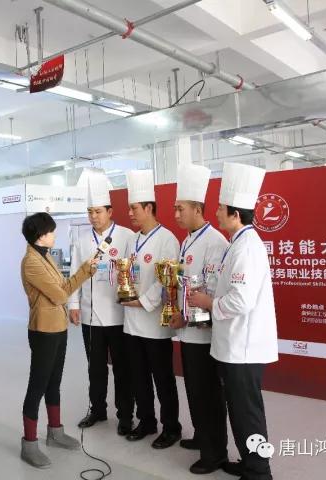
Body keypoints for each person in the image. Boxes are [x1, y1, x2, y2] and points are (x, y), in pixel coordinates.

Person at [189, 162, 278, 480]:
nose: (215, 212)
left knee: (247, 413)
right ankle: (250, 462)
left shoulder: (247, 248)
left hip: (244, 347)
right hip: (234, 344)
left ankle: (259, 472)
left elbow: (241, 300)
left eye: (220, 208)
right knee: (240, 412)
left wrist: (208, 303)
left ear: (235, 214)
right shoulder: (238, 244)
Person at [19, 212, 99, 469]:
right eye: (51, 231)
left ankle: (55, 432)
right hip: (43, 331)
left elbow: (64, 287)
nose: (54, 235)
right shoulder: (31, 262)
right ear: (41, 235)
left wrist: (86, 269)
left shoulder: (46, 256)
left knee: (54, 383)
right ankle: (29, 444)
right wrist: (79, 276)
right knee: (37, 386)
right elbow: (61, 295)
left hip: (58, 328)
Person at [171, 164, 236, 475]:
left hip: (205, 334)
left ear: (197, 209)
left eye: (180, 209)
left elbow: (211, 292)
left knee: (208, 395)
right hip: (188, 331)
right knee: (195, 391)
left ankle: (215, 454)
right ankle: (202, 437)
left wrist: (185, 318)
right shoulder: (187, 240)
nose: (176, 214)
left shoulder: (215, 243)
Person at [68, 172, 135, 436]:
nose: (93, 217)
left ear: (109, 211)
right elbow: (75, 274)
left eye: (97, 211)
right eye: (89, 212)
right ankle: (97, 409)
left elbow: (134, 273)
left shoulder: (127, 236)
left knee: (122, 369)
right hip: (90, 315)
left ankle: (125, 415)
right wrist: (73, 305)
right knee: (95, 369)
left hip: (119, 315)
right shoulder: (82, 240)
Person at [121, 170, 183, 450]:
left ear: (148, 208)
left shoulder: (167, 239)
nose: (130, 213)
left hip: (154, 323)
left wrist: (142, 301)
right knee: (138, 377)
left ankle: (171, 427)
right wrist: (124, 291)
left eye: (134, 208)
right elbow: (126, 272)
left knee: (163, 379)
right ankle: (146, 421)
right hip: (132, 322)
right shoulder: (132, 239)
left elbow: (166, 280)